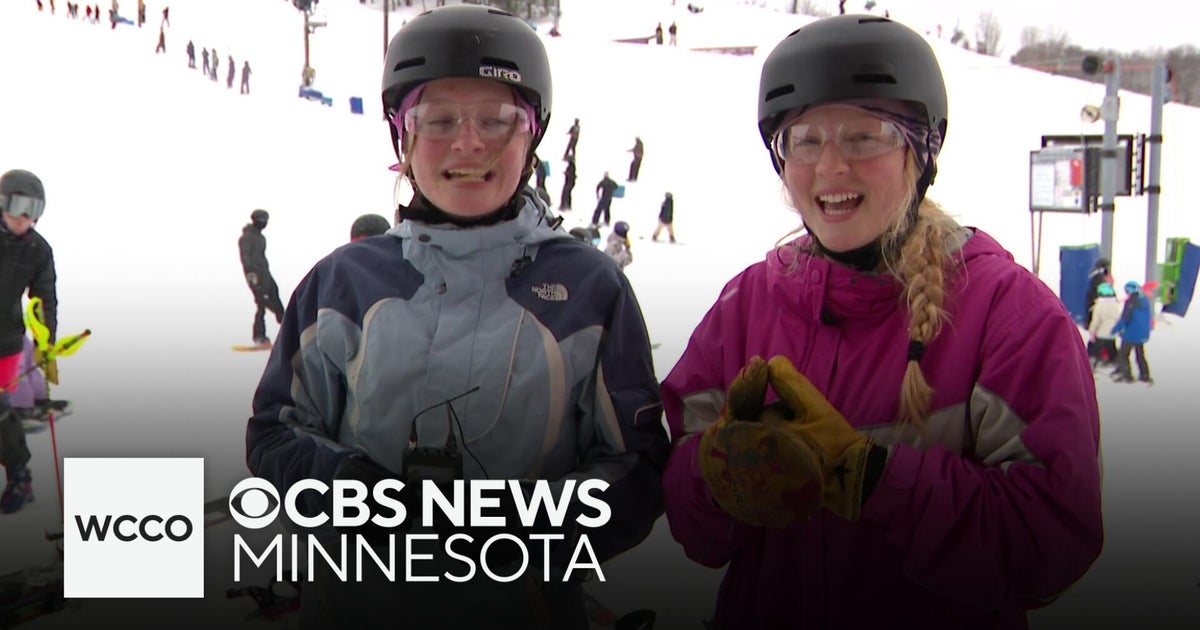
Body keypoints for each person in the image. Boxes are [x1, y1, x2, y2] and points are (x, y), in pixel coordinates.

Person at [659, 15, 1102, 628]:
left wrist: (874, 479)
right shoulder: (747, 307)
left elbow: (1051, 542)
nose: (831, 167)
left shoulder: (1008, 315)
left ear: (921, 151)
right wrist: (716, 473)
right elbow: (693, 530)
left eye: (865, 138)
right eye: (805, 141)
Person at [245, 6, 667, 628]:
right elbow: (275, 432)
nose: (468, 142)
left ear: (532, 135)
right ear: (402, 137)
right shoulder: (344, 283)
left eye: (497, 120)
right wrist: (356, 493)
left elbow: (634, 467)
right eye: (437, 119)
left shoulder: (589, 289)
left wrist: (524, 531)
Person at [0, 169, 57, 515]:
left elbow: (45, 297)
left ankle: (20, 476)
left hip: (5, 340)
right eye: (19, 207)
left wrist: (45, 341)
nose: (25, 219)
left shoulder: (38, 249)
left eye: (33, 211)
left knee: (1, 408)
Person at [238, 209, 284, 346]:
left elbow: (261, 257)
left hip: (265, 274)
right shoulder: (246, 238)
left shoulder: (261, 237)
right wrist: (252, 276)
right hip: (255, 276)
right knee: (261, 305)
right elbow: (245, 258)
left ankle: (291, 330)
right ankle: (259, 336)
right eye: (263, 220)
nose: (265, 224)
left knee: (276, 301)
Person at [1111, 280, 1153, 384]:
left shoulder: (1130, 303)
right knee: (1140, 354)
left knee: (1123, 354)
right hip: (1142, 333)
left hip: (1131, 334)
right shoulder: (1144, 300)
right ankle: (1145, 375)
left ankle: (1127, 375)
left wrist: (1114, 330)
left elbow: (1125, 319)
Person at [1087, 281, 1120, 370]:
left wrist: (1092, 331)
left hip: (1101, 333)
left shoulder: (1099, 305)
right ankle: (1115, 362)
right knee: (1111, 348)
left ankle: (1091, 365)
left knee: (1093, 349)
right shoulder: (1115, 304)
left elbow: (1096, 321)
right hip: (1112, 332)